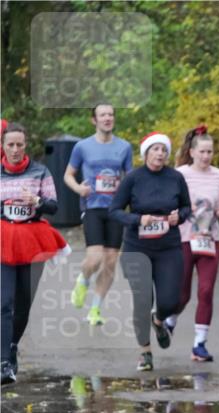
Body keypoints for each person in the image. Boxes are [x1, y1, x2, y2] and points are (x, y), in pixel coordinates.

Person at [110, 132, 191, 371]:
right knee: (142, 300)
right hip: (138, 248)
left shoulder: (175, 177)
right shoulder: (133, 178)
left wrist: (180, 216)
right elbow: (114, 210)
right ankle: (145, 352)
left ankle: (158, 320)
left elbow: (186, 206)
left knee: (171, 300)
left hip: (168, 247)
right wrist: (137, 219)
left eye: (164, 150)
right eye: (155, 149)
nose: (160, 154)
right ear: (146, 153)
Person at [1, 122, 69, 384]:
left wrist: (37, 202)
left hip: (32, 241)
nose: (15, 150)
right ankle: (4, 362)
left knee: (23, 303)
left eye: (20, 144)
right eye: (10, 145)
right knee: (3, 302)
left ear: (25, 144)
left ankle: (13, 345)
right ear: (3, 147)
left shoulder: (40, 171)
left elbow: (54, 206)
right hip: (4, 239)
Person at [65, 104, 133, 326]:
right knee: (94, 258)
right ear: (94, 120)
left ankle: (95, 309)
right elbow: (68, 175)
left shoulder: (124, 147)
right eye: (103, 115)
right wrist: (78, 189)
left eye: (111, 114)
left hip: (115, 209)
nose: (107, 118)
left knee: (111, 262)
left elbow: (130, 178)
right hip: (92, 206)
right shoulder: (82, 147)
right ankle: (83, 279)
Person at [170, 125, 219, 362]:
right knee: (181, 294)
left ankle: (199, 344)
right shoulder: (180, 174)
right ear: (192, 152)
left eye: (210, 152)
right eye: (202, 152)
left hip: (209, 238)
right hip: (184, 238)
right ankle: (169, 321)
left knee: (206, 290)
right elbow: (170, 203)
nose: (206, 156)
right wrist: (182, 210)